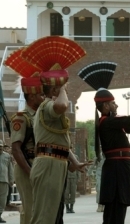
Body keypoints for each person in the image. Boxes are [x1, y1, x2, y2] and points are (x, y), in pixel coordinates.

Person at [78, 60, 130, 224]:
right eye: (113, 103)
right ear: (105, 106)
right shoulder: (108, 122)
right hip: (116, 169)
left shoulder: (111, 122)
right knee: (114, 211)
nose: (116, 105)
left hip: (119, 169)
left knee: (119, 208)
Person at [25, 36, 88, 224]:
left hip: (56, 162)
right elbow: (62, 106)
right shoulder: (47, 105)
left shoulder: (48, 108)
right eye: (63, 88)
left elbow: (60, 142)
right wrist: (61, 89)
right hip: (49, 163)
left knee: (51, 216)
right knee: (44, 217)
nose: (65, 91)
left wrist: (74, 162)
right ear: (53, 90)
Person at [5, 48, 44, 224]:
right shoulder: (21, 118)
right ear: (32, 95)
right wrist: (30, 172)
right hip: (26, 167)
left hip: (38, 167)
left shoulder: (40, 116)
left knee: (40, 210)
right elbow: (15, 148)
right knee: (30, 210)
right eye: (41, 94)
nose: (43, 97)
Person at [0, 140, 13, 223]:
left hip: (4, 180)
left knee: (3, 199)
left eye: (0, 146)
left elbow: (10, 169)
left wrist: (11, 179)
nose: (0, 148)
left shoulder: (7, 156)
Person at [64, 148, 79, 213]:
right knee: (66, 193)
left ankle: (71, 207)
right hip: (66, 177)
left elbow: (78, 167)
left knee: (73, 193)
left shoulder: (76, 157)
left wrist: (78, 177)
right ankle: (67, 207)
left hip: (73, 177)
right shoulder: (64, 156)